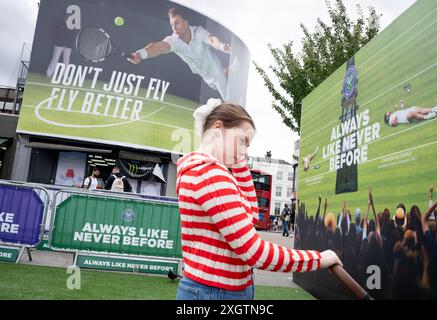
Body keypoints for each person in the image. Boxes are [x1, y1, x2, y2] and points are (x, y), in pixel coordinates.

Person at [175, 99, 343, 300]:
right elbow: (255, 252)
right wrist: (320, 259)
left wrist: (238, 160)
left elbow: (251, 215)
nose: (245, 151)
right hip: (215, 292)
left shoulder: (201, 170)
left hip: (213, 289)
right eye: (242, 140)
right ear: (218, 128)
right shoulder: (210, 174)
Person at [130, 7, 231, 100]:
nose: (174, 28)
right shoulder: (174, 41)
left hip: (217, 73)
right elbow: (158, 47)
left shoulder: (198, 31)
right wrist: (140, 54)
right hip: (208, 78)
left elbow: (212, 40)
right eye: (172, 24)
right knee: (219, 77)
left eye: (177, 23)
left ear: (186, 23)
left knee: (229, 99)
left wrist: (222, 46)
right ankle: (228, 71)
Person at [46, 13, 76, 78]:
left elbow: (73, 35)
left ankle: (65, 75)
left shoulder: (72, 26)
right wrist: (57, 41)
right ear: (66, 17)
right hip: (59, 44)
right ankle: (49, 73)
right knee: (55, 58)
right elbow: (55, 33)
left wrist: (70, 43)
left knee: (66, 60)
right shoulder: (60, 24)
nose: (70, 18)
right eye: (69, 17)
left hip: (68, 46)